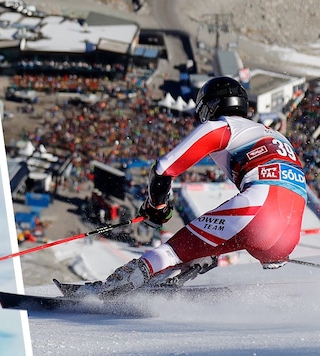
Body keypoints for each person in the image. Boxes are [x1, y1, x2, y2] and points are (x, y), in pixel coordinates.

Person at [78, 76, 307, 296]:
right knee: (206, 243)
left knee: (171, 249)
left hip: (260, 209)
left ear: (210, 107)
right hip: (288, 233)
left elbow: (163, 169)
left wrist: (156, 208)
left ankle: (107, 290)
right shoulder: (275, 136)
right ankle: (182, 272)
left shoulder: (223, 126)